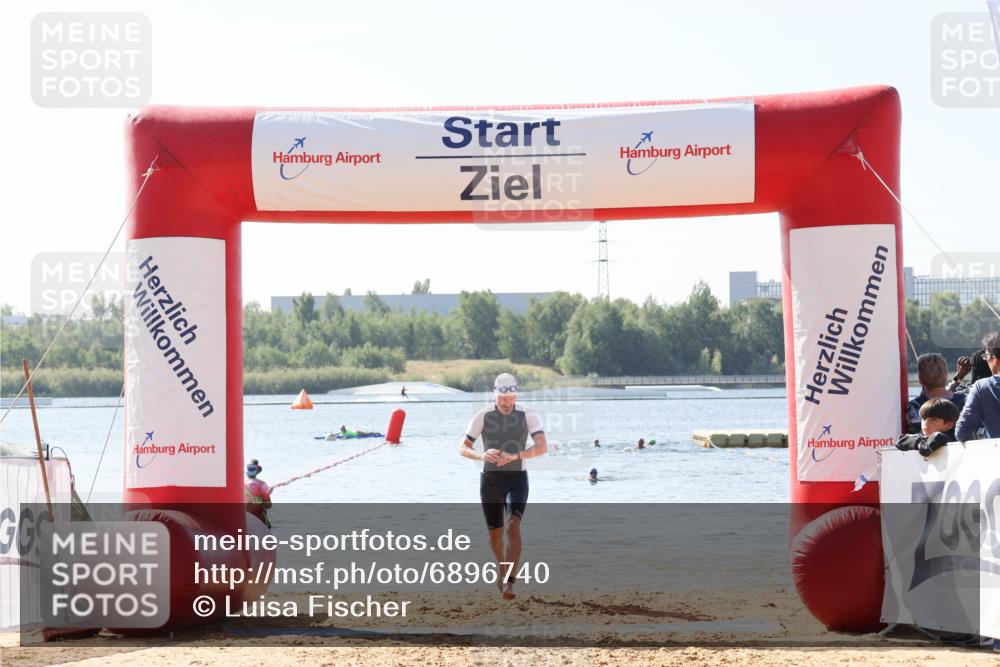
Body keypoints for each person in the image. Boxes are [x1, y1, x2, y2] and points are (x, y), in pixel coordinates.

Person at [459, 372, 547, 601]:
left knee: (513, 526)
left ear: (516, 395)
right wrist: (481, 456)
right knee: (495, 536)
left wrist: (516, 455)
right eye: (503, 400)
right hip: (490, 481)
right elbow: (463, 447)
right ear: (496, 396)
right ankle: (502, 568)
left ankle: (509, 581)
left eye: (511, 399)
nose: (507, 404)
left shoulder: (528, 414)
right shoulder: (483, 415)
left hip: (517, 477)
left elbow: (542, 447)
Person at [955, 331, 1000, 442]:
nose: (986, 360)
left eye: (986, 356)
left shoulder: (981, 387)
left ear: (995, 360)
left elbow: (962, 432)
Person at [906, 353, 966, 434]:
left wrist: (958, 378)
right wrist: (958, 378)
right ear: (946, 374)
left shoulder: (915, 406)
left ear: (920, 379)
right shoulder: (965, 400)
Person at [894, 398, 960, 457]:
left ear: (949, 425)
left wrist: (927, 446)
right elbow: (900, 440)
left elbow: (938, 438)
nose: (926, 423)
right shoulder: (923, 437)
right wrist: (920, 443)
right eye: (924, 419)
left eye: (933, 419)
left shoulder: (953, 439)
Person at [245, 459, 273, 529]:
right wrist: (268, 493)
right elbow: (268, 505)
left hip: (245, 519)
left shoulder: (240, 484)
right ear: (257, 471)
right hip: (259, 519)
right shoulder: (262, 485)